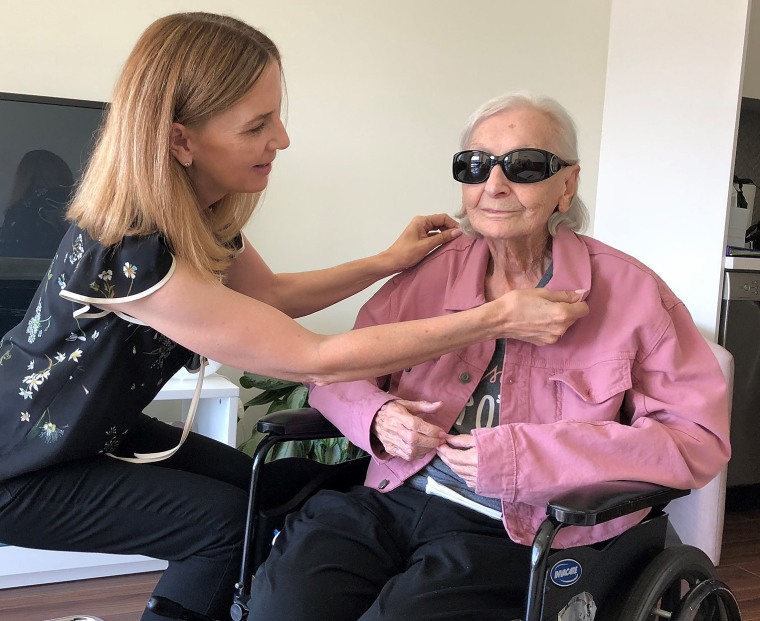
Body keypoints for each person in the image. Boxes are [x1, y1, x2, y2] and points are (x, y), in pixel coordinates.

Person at [0, 15, 589, 621]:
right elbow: (311, 357)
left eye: (276, 116)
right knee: (224, 525)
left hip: (92, 430)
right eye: (257, 126)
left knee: (264, 495)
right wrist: (492, 319)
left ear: (565, 185)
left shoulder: (199, 215)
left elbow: (272, 295)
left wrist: (387, 261)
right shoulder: (132, 248)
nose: (281, 139)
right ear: (180, 141)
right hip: (18, 463)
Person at [249, 92, 732, 621]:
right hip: (394, 495)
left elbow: (696, 442)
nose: (495, 185)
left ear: (566, 184)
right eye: (476, 166)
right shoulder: (429, 275)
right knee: (285, 602)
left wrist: (524, 459)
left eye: (525, 166)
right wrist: (377, 415)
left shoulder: (634, 295)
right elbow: (334, 371)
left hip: (518, 527)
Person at [0, 149, 73, 257]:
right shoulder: (77, 205)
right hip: (64, 269)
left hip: (27, 270)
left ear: (25, 176)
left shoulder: (22, 208)